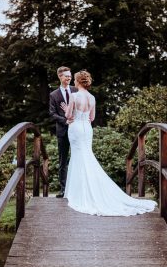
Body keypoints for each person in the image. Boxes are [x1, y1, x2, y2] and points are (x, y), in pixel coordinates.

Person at [60, 69, 157, 216]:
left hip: (76, 129)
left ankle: (79, 193)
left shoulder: (74, 96)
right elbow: (91, 118)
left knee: (78, 157)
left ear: (78, 81)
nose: (73, 81)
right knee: (86, 156)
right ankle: (88, 190)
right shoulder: (92, 98)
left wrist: (67, 109)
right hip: (87, 128)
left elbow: (68, 115)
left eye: (75, 79)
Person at [49, 66, 78, 198]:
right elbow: (52, 114)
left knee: (78, 159)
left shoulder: (76, 90)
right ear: (60, 77)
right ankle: (63, 190)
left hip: (77, 130)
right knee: (63, 161)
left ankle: (77, 189)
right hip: (62, 131)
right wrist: (65, 120)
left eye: (70, 75)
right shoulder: (54, 95)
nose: (69, 78)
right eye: (66, 76)